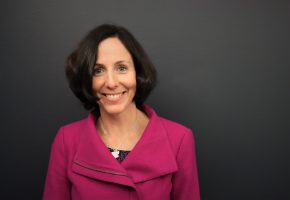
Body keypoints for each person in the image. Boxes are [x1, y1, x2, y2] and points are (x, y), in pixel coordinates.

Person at [43, 24, 200, 200]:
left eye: (122, 68)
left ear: (138, 74)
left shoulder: (179, 139)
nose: (111, 82)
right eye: (98, 70)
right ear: (86, 79)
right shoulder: (67, 140)